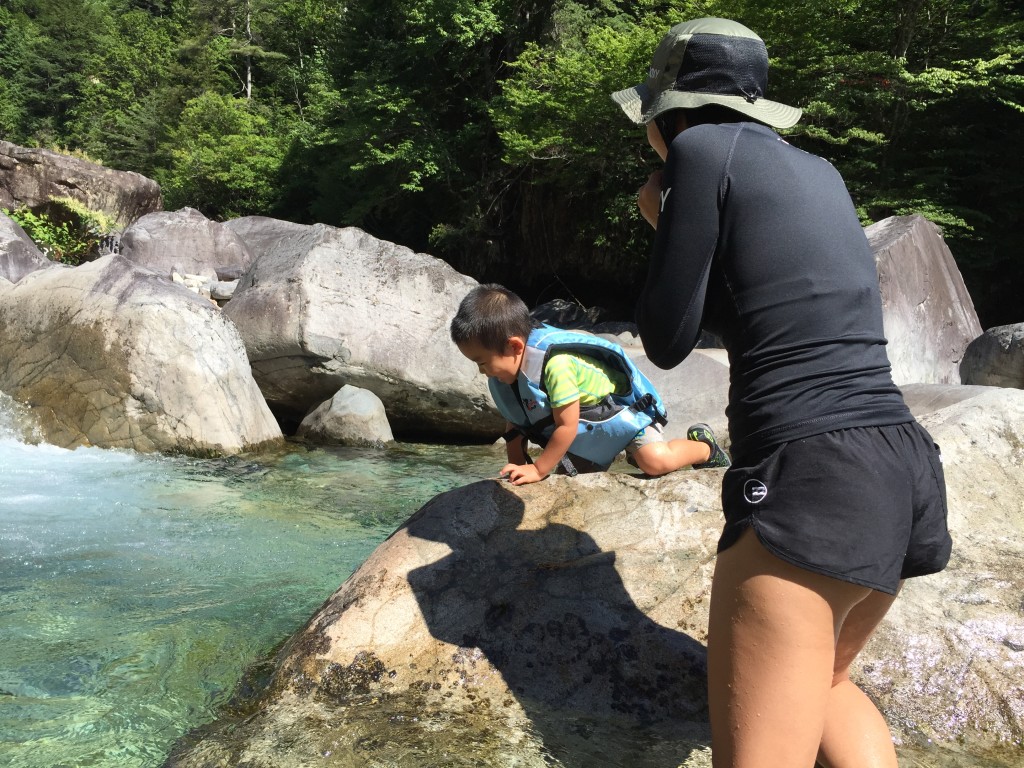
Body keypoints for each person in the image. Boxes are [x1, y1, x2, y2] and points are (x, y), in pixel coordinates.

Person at [611, 17, 952, 768]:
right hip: (902, 470)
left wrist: (660, 215)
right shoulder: (820, 170)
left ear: (667, 112)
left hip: (811, 476)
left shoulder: (698, 153)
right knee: (826, 681)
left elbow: (667, 337)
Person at [450, 283, 730, 486]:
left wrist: (538, 469)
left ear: (514, 346)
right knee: (570, 481)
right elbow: (515, 421)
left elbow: (567, 426)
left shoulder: (556, 366)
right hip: (587, 434)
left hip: (619, 416)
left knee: (655, 462)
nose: (481, 371)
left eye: (482, 362)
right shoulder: (507, 374)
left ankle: (704, 447)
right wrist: (518, 466)